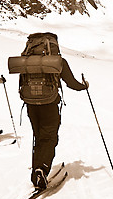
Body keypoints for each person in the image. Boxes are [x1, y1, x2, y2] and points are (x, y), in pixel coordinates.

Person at [26, 58, 88, 189]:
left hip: (31, 105)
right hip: (49, 104)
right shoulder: (57, 61)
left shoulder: (27, 60)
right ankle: (41, 170)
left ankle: (36, 172)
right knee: (49, 138)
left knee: (38, 137)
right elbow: (71, 83)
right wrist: (84, 86)